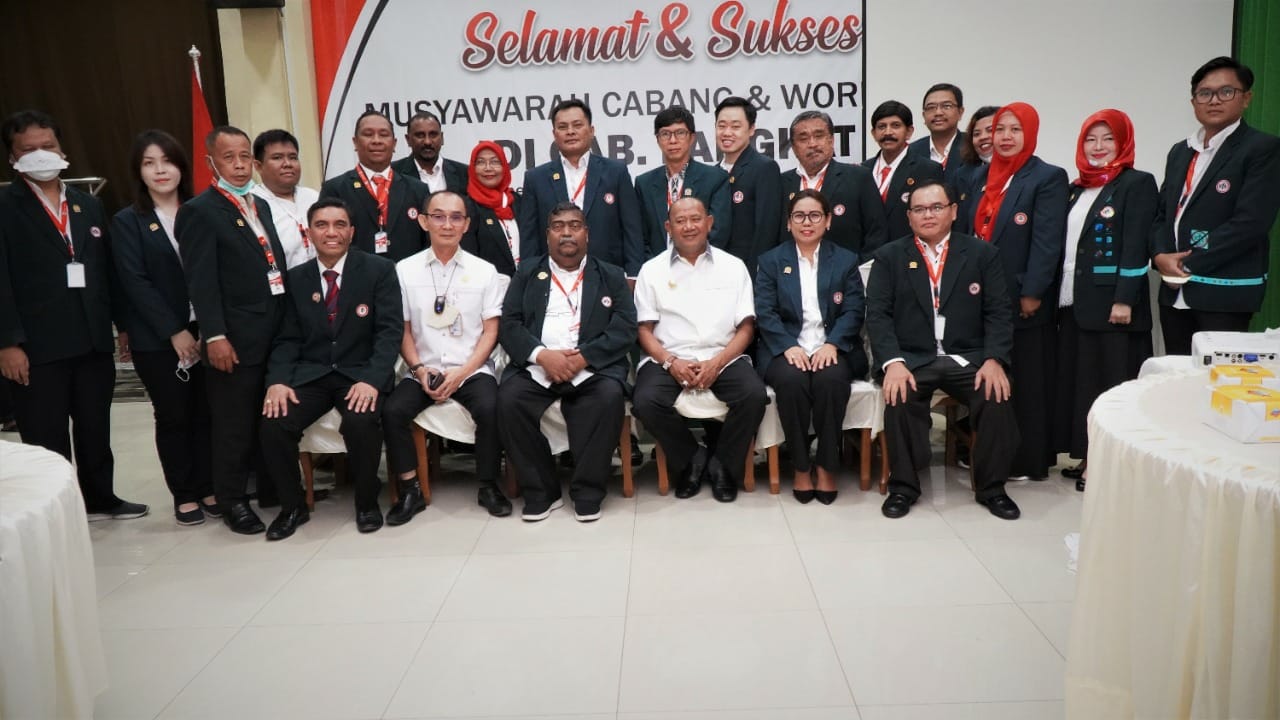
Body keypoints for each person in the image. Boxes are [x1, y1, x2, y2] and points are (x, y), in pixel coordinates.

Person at [0, 110, 146, 520]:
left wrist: (122, 326)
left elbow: (108, 270)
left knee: (94, 426)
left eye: (48, 147)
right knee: (45, 433)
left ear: (62, 149)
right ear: (13, 158)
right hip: (36, 344)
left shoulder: (86, 205)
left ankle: (101, 498)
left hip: (92, 337)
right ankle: (55, 510)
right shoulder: (5, 206)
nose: (41, 155)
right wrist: (7, 342)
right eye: (29, 150)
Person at [867, 180, 1021, 520]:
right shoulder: (890, 257)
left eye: (936, 207)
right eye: (919, 209)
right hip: (913, 358)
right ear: (909, 217)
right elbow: (877, 316)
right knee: (900, 396)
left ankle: (992, 488)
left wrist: (994, 359)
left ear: (953, 211)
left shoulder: (982, 255)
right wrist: (892, 362)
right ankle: (903, 487)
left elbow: (999, 313)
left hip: (969, 357)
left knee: (996, 394)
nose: (928, 215)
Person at [258, 198, 403, 539]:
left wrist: (371, 379)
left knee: (361, 421)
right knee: (273, 423)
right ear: (310, 233)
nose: (331, 232)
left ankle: (367, 503)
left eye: (340, 224)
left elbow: (389, 333)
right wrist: (277, 381)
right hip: (312, 374)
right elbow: (286, 338)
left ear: (352, 231)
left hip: (359, 373)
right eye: (322, 225)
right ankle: (292, 506)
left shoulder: (379, 270)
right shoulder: (297, 279)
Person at [178, 125, 289, 534]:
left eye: (245, 157)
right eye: (230, 158)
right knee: (233, 425)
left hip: (271, 331)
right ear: (211, 162)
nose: (240, 165)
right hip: (234, 340)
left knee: (268, 418)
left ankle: (274, 490)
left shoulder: (257, 202)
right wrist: (216, 336)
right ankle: (232, 500)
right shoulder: (200, 211)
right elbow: (201, 282)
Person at [498, 202, 636, 521]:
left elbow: (625, 326)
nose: (566, 233)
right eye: (558, 226)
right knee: (508, 400)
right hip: (538, 366)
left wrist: (584, 357)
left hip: (591, 367)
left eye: (574, 225)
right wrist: (541, 355)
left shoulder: (610, 275)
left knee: (608, 397)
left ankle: (588, 490)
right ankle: (541, 490)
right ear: (547, 235)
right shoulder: (527, 272)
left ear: (586, 233)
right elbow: (510, 323)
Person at [381, 191, 512, 523]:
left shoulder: (485, 271)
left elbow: (491, 331)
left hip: (471, 368)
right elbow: (403, 329)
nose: (447, 224)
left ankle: (487, 484)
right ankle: (410, 489)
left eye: (456, 217)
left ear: (466, 225)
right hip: (422, 367)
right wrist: (418, 368)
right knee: (393, 411)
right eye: (438, 216)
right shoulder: (404, 270)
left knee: (492, 406)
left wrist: (464, 372)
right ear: (424, 221)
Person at [111, 129, 215, 525]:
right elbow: (134, 281)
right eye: (149, 163)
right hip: (158, 339)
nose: (160, 170)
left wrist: (209, 326)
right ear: (138, 171)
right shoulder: (128, 222)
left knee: (206, 413)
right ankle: (184, 493)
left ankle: (208, 486)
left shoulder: (200, 210)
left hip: (206, 330)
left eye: (167, 161)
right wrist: (175, 330)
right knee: (174, 415)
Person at [631, 197, 767, 503]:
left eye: (695, 219)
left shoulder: (733, 267)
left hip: (724, 355)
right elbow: (644, 330)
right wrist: (670, 362)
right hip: (668, 356)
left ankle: (723, 465)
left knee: (754, 396)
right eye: (680, 221)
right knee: (645, 400)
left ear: (709, 222)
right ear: (668, 227)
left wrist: (717, 363)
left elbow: (746, 327)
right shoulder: (651, 270)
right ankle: (692, 458)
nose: (689, 226)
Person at [961, 102, 1068, 481]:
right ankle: (994, 454)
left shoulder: (1047, 177)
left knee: (1026, 380)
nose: (1005, 137)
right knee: (993, 377)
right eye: (1000, 130)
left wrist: (1032, 291)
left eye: (1014, 130)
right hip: (983, 296)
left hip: (1023, 296)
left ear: (1030, 133)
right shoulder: (979, 177)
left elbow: (1047, 242)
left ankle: (1028, 460)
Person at [1053, 110, 1158, 491]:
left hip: (1113, 307)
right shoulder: (1077, 188)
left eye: (1107, 139)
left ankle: (1104, 463)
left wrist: (1125, 299)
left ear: (1123, 142)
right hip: (1075, 303)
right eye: (1090, 140)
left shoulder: (1136, 184)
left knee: (1109, 384)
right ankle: (1086, 454)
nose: (1098, 147)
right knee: (1081, 382)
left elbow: (1135, 246)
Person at [1151, 56, 1280, 354]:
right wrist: (1159, 255)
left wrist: (1185, 262)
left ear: (1246, 98)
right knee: (1178, 378)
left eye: (1226, 92)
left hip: (1224, 292)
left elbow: (1251, 224)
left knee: (1218, 385)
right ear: (1194, 101)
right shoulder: (1180, 151)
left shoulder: (1261, 148)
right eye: (1204, 93)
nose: (1214, 101)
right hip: (1173, 293)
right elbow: (1162, 215)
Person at [754, 189, 868, 504]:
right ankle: (802, 466)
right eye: (799, 216)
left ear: (828, 221)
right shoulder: (771, 261)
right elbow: (765, 311)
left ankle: (827, 466)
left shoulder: (845, 260)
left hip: (832, 347)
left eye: (815, 215)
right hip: (787, 348)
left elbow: (854, 310)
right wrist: (787, 346)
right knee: (791, 382)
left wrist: (833, 344)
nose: (807, 222)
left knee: (831, 381)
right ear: (788, 223)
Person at [519, 99, 645, 278]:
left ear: (591, 130)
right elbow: (529, 238)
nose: (570, 131)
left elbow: (632, 231)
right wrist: (530, 278)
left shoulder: (616, 172)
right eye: (562, 127)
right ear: (554, 134)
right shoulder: (535, 178)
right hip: (554, 279)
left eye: (577, 125)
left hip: (608, 276)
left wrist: (633, 276)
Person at [319, 110, 430, 262]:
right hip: (358, 279)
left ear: (394, 143)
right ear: (355, 142)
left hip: (407, 279)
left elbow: (428, 241)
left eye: (383, 134)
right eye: (368, 134)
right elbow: (329, 242)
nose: (376, 140)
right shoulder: (335, 189)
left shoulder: (418, 189)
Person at [781, 110, 886, 255]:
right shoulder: (780, 183)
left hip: (847, 274)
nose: (812, 144)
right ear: (793, 148)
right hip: (792, 272)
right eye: (803, 138)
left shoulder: (858, 177)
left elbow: (877, 233)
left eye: (819, 136)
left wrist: (857, 272)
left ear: (831, 140)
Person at [635, 106, 732, 257]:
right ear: (658, 140)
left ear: (692, 138)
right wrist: (657, 267)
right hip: (659, 271)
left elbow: (718, 232)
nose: (673, 140)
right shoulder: (644, 183)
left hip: (702, 268)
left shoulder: (715, 178)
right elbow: (641, 237)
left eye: (680, 133)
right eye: (665, 134)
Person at [714, 95, 783, 276]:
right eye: (721, 126)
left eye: (736, 126)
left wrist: (757, 275)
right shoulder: (712, 173)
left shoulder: (764, 168)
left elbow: (766, 230)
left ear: (751, 129)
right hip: (716, 271)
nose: (727, 132)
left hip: (749, 273)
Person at [862, 100, 944, 244]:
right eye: (881, 126)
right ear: (873, 133)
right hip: (868, 258)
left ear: (909, 132)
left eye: (895, 125)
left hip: (909, 255)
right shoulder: (862, 170)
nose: (888, 132)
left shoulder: (928, 170)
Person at [251, 129, 319, 269]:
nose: (287, 163)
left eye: (293, 157)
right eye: (277, 158)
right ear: (258, 166)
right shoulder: (252, 203)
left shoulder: (313, 197)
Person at [463, 140, 520, 276]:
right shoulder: (466, 208)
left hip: (525, 287)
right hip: (488, 289)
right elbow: (468, 258)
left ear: (505, 167)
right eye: (481, 162)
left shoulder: (518, 201)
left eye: (495, 162)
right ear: (472, 168)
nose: (488, 168)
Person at [391, 111, 469, 194]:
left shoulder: (465, 173)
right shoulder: (393, 173)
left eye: (433, 135)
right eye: (420, 135)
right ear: (408, 140)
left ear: (442, 138)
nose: (427, 142)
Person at [908, 83, 966, 182]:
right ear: (924, 116)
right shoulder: (911, 152)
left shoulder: (972, 145)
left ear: (960, 112)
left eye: (946, 106)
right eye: (931, 107)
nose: (938, 112)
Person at [956, 105, 999, 193]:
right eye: (976, 134)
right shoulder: (961, 174)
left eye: (990, 130)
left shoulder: (1026, 169)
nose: (982, 137)